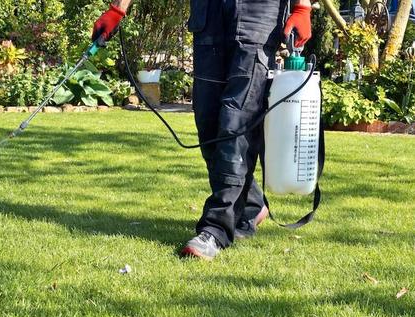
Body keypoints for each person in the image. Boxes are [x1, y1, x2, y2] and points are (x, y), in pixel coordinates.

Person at [93, 0, 312, 260]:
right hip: (209, 15)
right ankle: (252, 205)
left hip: (258, 15)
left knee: (235, 121)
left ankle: (215, 229)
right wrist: (118, 8)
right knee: (208, 125)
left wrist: (302, 7)